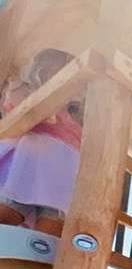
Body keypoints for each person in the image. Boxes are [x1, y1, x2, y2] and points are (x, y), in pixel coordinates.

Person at [0, 49, 83, 237]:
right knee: (10, 213)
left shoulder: (71, 116)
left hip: (61, 166)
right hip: (35, 159)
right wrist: (15, 88)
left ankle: (35, 260)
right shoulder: (28, 91)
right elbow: (14, 112)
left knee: (47, 234)